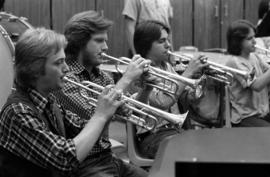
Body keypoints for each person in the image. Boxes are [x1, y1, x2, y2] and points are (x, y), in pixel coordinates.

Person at [0, 27, 131, 177]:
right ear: (35, 69)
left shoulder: (49, 100)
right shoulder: (18, 112)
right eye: (59, 62)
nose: (67, 68)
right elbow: (64, 160)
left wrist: (109, 113)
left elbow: (81, 129)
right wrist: (100, 115)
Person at [54, 10, 150, 177]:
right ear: (79, 43)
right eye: (99, 41)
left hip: (108, 156)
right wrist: (126, 78)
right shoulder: (64, 78)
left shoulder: (103, 77)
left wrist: (147, 88)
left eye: (105, 41)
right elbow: (94, 115)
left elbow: (127, 116)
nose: (105, 47)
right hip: (83, 164)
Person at [133, 20, 208, 159]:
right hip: (152, 136)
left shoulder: (166, 66)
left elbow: (182, 97)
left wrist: (198, 86)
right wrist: (187, 73)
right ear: (146, 44)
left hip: (174, 130)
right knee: (190, 154)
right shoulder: (140, 71)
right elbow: (163, 102)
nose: (168, 45)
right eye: (162, 41)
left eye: (168, 40)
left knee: (207, 147)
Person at [226, 19, 270, 127]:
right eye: (250, 38)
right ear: (238, 42)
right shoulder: (235, 62)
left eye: (254, 37)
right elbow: (257, 85)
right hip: (246, 117)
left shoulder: (254, 56)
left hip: (262, 113)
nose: (255, 41)